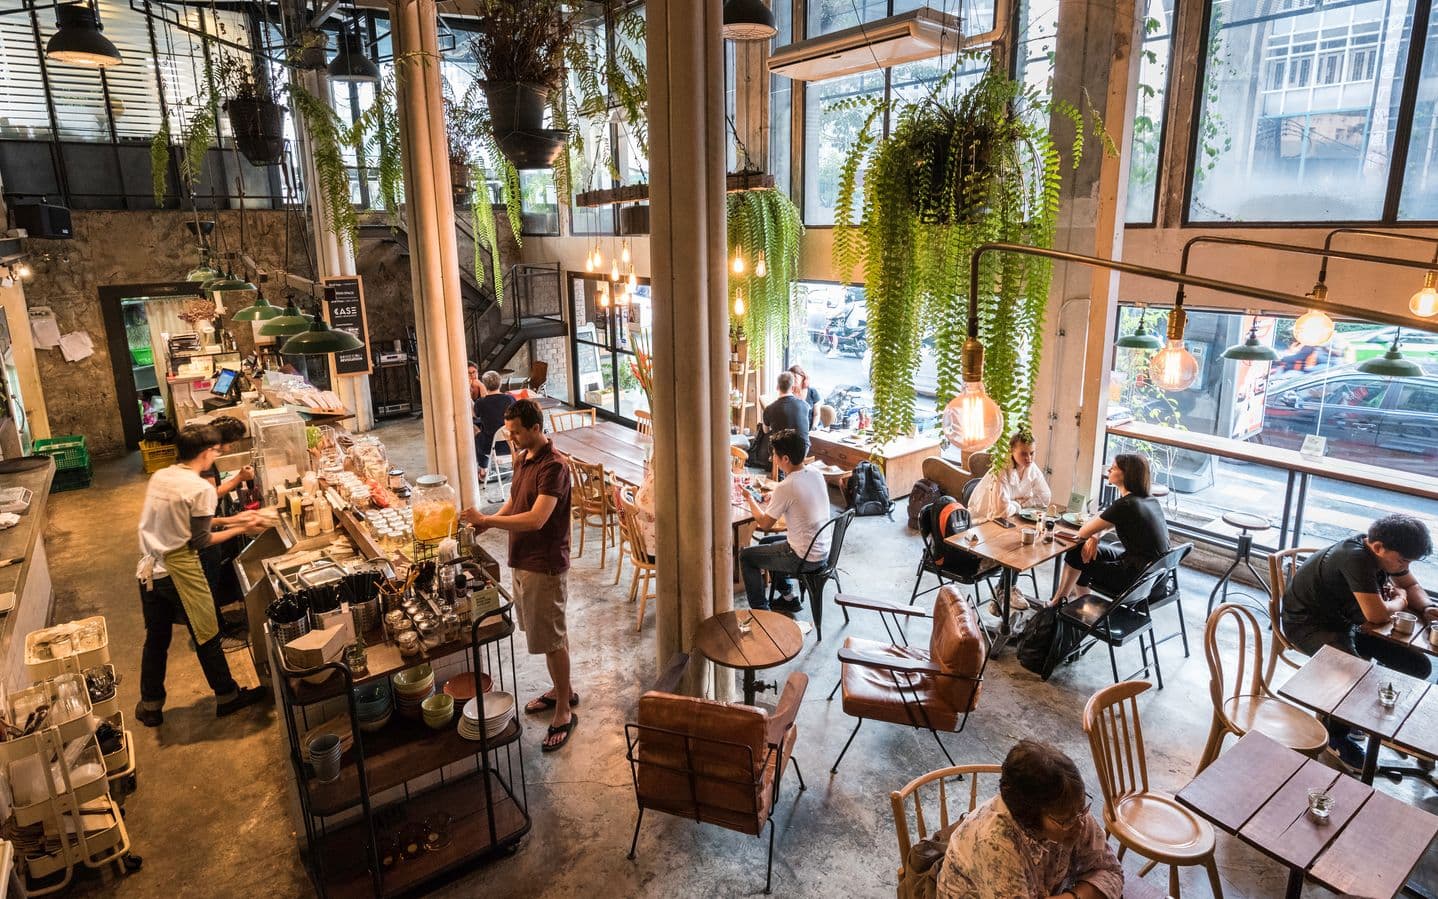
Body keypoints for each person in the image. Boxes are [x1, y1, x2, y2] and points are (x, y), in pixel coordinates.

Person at [460, 399, 577, 752]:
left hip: (545, 563)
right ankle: (563, 689)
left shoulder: (554, 467)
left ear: (536, 429)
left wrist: (489, 521)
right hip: (524, 559)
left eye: (515, 431)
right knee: (550, 632)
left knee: (552, 639)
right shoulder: (522, 457)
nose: (509, 436)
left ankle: (562, 712)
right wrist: (484, 521)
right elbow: (515, 503)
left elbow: (536, 519)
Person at [135, 425, 268, 727]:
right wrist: (242, 528)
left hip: (150, 568)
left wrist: (231, 518)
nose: (217, 455)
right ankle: (227, 696)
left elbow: (187, 521)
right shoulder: (202, 489)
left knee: (156, 639)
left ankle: (150, 704)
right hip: (179, 570)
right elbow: (201, 540)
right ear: (207, 453)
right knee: (206, 633)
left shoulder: (163, 476)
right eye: (216, 451)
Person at [1281, 514, 1437, 768]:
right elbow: (1377, 614)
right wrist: (1401, 602)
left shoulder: (1385, 555)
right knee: (1356, 674)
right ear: (1378, 548)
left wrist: (1428, 608)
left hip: (1347, 622)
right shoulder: (1355, 559)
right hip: (1308, 624)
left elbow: (1410, 584)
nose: (1404, 566)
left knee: (1418, 666)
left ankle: (1366, 719)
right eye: (1402, 560)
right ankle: (1336, 737)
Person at [936, 740, 1123, 899]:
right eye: (1065, 820)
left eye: (1082, 809)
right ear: (1029, 818)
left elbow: (1111, 872)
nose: (1080, 824)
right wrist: (1088, 891)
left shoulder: (1069, 809)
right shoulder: (995, 843)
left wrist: (1072, 896)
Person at [1052, 454, 1168, 605]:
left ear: (1126, 475)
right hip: (1156, 578)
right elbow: (1106, 524)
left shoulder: (1125, 505)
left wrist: (1092, 535)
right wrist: (1095, 537)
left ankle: (1059, 603)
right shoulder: (1148, 500)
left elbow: (1083, 532)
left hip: (1136, 582)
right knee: (1085, 552)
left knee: (1077, 553)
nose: (1108, 472)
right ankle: (1079, 606)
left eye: (1113, 468)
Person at [740, 429, 831, 614]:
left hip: (803, 557)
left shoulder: (786, 486)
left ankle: (761, 611)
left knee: (746, 556)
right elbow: (799, 494)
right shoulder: (814, 473)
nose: (772, 458)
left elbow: (765, 524)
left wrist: (750, 498)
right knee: (767, 543)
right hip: (822, 550)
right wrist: (773, 495)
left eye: (774, 454)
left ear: (785, 459)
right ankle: (788, 597)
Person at [197, 414, 255, 643]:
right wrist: (240, 477)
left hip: (207, 522)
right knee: (209, 583)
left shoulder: (202, 448)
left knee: (210, 582)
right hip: (203, 530)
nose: (232, 448)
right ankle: (214, 631)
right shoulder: (206, 459)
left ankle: (217, 625)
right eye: (232, 443)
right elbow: (211, 494)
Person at [967, 429, 1052, 520]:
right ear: (1011, 450)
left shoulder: (1032, 467)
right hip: (986, 520)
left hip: (1013, 517)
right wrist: (1018, 504)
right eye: (1023, 454)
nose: (1029, 458)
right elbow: (1002, 512)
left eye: (1032, 453)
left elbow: (1045, 497)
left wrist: (1021, 504)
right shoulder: (1001, 470)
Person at [473, 369, 516, 484]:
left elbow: (475, 415)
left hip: (489, 446)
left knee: (476, 433)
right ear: (500, 383)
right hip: (512, 444)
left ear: (485, 385)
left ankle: (483, 470)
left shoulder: (481, 402)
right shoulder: (510, 399)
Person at [762, 371, 810, 444]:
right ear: (793, 388)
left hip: (781, 451)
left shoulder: (769, 409)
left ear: (777, 387)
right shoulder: (805, 405)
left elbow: (766, 431)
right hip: (803, 450)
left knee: (768, 439)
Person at [788, 364, 821, 429]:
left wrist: (814, 427)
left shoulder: (812, 391)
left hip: (813, 427)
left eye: (795, 376)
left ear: (803, 377)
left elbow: (816, 414)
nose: (792, 379)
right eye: (790, 377)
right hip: (796, 430)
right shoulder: (788, 393)